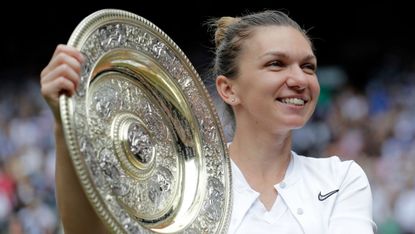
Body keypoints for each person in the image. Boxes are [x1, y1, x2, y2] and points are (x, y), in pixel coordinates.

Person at [40, 10, 376, 234]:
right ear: (228, 90)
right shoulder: (182, 185)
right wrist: (64, 123)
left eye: (308, 66)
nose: (300, 79)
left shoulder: (341, 179)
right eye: (277, 64)